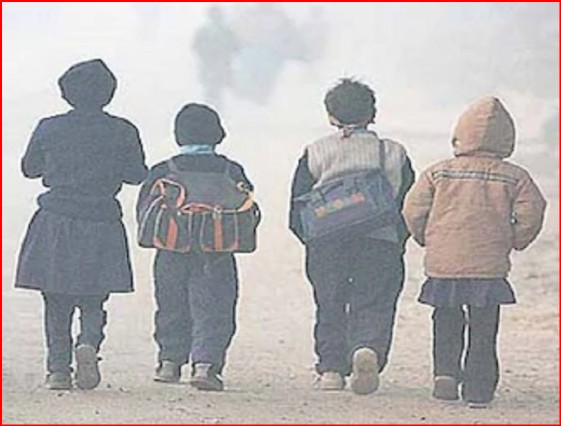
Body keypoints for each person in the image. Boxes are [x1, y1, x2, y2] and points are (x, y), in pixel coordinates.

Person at [403, 97, 546, 407]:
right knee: (484, 326)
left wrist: (426, 238)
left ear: (459, 135)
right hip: (488, 266)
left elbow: (413, 209)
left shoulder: (438, 172)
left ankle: (445, 373)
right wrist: (515, 240)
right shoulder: (515, 176)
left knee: (445, 317)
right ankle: (479, 387)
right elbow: (532, 212)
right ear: (507, 139)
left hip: (444, 264)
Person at [15, 59, 148, 390]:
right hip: (101, 219)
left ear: (66, 93)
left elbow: (29, 169)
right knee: (94, 295)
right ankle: (88, 341)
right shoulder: (123, 130)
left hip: (56, 219)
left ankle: (58, 370)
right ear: (109, 93)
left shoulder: (49, 127)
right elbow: (137, 175)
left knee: (55, 298)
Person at [288, 78, 415, 394]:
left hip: (327, 243)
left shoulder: (316, 151)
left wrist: (312, 240)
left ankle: (331, 370)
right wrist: (397, 240)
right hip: (380, 242)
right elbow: (409, 205)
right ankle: (366, 347)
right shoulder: (393, 152)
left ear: (331, 116)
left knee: (329, 302)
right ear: (372, 114)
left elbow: (298, 208)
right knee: (375, 299)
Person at [137, 103, 254, 391]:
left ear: (178, 135)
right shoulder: (231, 170)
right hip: (217, 251)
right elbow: (247, 207)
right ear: (219, 134)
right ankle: (205, 365)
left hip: (171, 249)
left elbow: (144, 211)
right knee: (215, 306)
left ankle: (169, 362)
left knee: (171, 304)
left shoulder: (163, 170)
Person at [192, 6, 239, 109]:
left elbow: (234, 46)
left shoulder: (223, 31)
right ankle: (213, 107)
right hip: (213, 64)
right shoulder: (208, 31)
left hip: (217, 64)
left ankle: (213, 107)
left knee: (215, 88)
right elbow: (196, 46)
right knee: (214, 88)